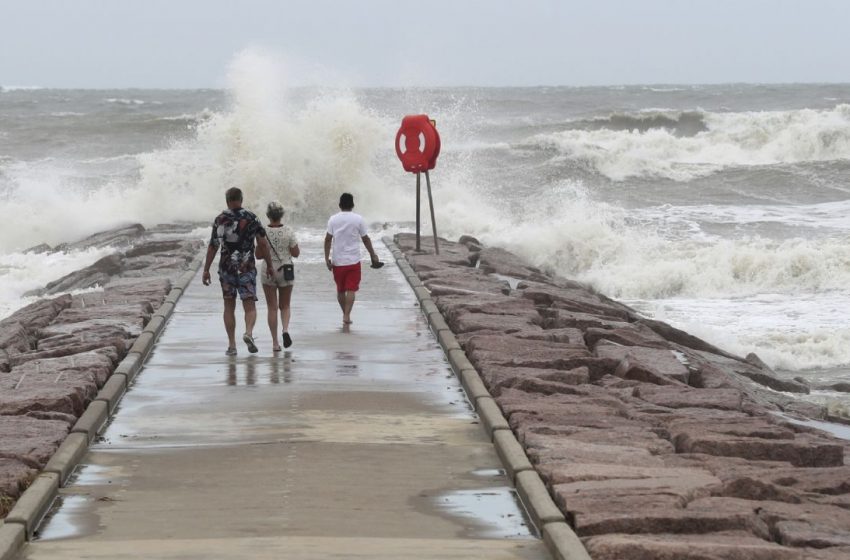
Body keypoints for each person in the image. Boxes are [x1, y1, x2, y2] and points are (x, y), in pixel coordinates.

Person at [202, 187, 274, 355]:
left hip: (226, 269)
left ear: (227, 201)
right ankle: (248, 333)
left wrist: (206, 269)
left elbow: (213, 246)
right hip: (246, 268)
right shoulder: (252, 218)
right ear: (241, 200)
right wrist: (269, 265)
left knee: (229, 306)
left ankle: (232, 346)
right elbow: (263, 244)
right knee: (249, 306)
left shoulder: (220, 219)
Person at [324, 192, 381, 325]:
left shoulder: (333, 219)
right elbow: (365, 239)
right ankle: (347, 315)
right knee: (351, 289)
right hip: (353, 261)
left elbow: (327, 239)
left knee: (340, 290)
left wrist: (327, 258)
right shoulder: (358, 219)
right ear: (353, 205)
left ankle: (345, 314)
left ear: (339, 205)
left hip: (338, 261)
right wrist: (373, 254)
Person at [260, 201, 300, 350]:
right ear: (282, 215)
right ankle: (285, 330)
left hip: (268, 270)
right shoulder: (288, 231)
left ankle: (275, 343)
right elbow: (296, 253)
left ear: (268, 216)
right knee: (285, 305)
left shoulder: (262, 231)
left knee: (272, 307)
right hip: (285, 270)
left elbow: (258, 254)